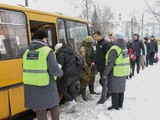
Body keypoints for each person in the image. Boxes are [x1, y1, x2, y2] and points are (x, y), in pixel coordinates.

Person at [23, 30, 63, 120]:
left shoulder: (26, 52)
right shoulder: (47, 51)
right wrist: (61, 72)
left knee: (39, 109)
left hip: (31, 86)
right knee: (54, 105)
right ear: (44, 39)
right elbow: (54, 70)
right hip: (47, 85)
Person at [102, 33, 130, 110]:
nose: (111, 38)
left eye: (112, 37)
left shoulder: (115, 48)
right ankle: (120, 104)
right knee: (121, 88)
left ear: (116, 39)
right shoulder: (124, 46)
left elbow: (110, 63)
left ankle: (115, 105)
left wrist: (105, 73)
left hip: (116, 71)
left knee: (114, 89)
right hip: (123, 71)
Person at [54, 43, 79, 110]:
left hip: (67, 74)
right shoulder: (71, 51)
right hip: (75, 73)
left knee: (60, 88)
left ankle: (72, 101)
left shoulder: (61, 53)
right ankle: (73, 106)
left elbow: (59, 66)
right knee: (71, 89)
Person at [92, 31, 112, 104]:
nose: (94, 38)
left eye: (96, 36)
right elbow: (97, 55)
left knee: (103, 82)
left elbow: (109, 56)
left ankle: (103, 98)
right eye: (94, 36)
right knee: (103, 82)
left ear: (100, 35)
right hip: (100, 67)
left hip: (105, 67)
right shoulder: (98, 44)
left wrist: (107, 67)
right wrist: (94, 61)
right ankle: (109, 92)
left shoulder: (106, 44)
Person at [79, 36, 97, 101]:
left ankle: (92, 91)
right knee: (84, 81)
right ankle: (83, 96)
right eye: (91, 42)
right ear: (89, 42)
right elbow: (83, 60)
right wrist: (87, 68)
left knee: (92, 79)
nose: (92, 43)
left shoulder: (90, 47)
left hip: (91, 66)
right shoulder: (83, 48)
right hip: (85, 68)